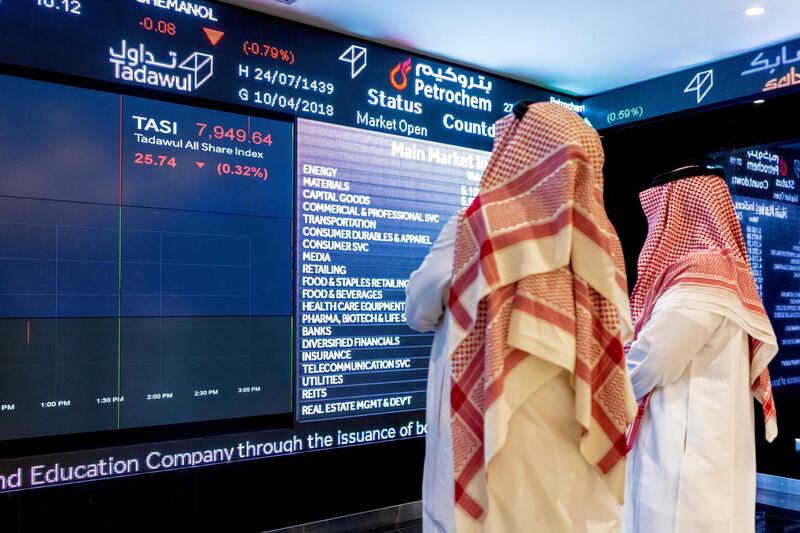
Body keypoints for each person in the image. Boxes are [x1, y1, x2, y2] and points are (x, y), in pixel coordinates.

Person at [406, 102, 637, 533]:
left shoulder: (475, 227)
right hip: (572, 451)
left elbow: (418, 308)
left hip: (493, 440)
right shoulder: (602, 246)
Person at [623, 166, 779, 533]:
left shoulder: (702, 275)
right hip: (698, 454)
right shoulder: (719, 271)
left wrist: (589, 383)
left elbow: (651, 362)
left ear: (682, 210)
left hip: (685, 466)